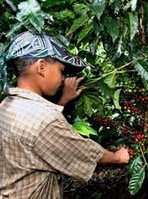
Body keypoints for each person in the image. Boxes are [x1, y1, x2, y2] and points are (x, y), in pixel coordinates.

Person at [0, 31, 130, 198]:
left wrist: (63, 100)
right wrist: (118, 157)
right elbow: (80, 152)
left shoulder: (6, 105)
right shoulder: (45, 120)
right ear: (41, 67)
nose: (63, 79)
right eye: (61, 71)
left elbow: (36, 140)